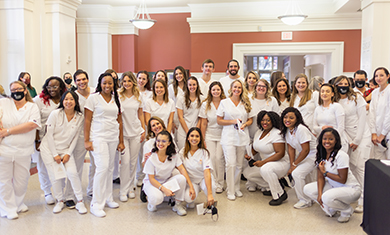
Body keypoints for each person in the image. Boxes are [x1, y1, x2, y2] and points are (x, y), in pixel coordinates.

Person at [84, 72, 124, 217]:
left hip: (112, 137)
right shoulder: (93, 98)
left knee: (110, 168)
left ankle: (108, 198)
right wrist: (87, 140)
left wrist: (121, 141)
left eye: (110, 83)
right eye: (104, 83)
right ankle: (96, 203)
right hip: (98, 136)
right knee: (102, 167)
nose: (107, 85)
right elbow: (87, 120)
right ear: (100, 84)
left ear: (114, 84)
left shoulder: (116, 99)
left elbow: (119, 121)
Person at [40, 91, 87, 214]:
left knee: (73, 173)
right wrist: (55, 154)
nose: (68, 102)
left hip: (65, 149)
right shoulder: (55, 114)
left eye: (71, 99)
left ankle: (80, 201)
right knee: (55, 176)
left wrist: (68, 154)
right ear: (62, 101)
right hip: (49, 149)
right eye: (66, 99)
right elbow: (49, 135)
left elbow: (76, 138)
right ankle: (60, 201)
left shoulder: (80, 116)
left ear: (76, 101)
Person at [0, 81, 40, 220]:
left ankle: (18, 203)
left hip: (24, 150)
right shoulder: (4, 103)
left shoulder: (32, 107)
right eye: (13, 89)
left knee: (21, 180)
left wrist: (8, 131)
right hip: (4, 150)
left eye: (18, 89)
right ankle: (8, 207)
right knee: (4, 180)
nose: (16, 91)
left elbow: (31, 125)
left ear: (25, 90)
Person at [304, 128, 361, 223]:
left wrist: (325, 172)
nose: (327, 141)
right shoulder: (322, 155)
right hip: (334, 186)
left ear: (336, 141)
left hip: (351, 189)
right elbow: (320, 177)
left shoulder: (341, 155)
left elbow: (342, 179)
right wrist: (320, 194)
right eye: (324, 138)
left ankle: (346, 210)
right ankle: (333, 207)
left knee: (326, 197)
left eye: (331, 139)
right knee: (307, 189)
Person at [334, 75, 372, 213]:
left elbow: (362, 119)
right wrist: (349, 140)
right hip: (346, 138)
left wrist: (357, 140)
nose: (343, 86)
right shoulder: (335, 100)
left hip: (362, 136)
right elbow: (340, 124)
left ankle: (364, 199)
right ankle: (355, 194)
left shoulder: (356, 97)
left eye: (346, 83)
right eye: (340, 83)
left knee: (360, 168)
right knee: (350, 167)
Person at [217, 80, 254, 201]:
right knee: (230, 164)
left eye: (239, 87)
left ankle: (237, 187)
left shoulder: (246, 102)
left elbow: (250, 120)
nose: (237, 89)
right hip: (228, 137)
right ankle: (230, 190)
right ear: (231, 88)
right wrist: (233, 122)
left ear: (242, 89)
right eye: (235, 87)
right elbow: (219, 120)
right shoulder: (224, 102)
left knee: (239, 164)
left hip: (241, 136)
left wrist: (244, 124)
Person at [142, 131, 195, 216]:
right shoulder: (151, 157)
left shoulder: (173, 155)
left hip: (165, 181)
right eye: (158, 141)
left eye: (163, 141)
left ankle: (177, 205)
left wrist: (191, 186)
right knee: (156, 199)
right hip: (152, 184)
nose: (160, 143)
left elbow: (182, 169)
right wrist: (164, 189)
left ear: (169, 143)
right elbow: (151, 179)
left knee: (181, 178)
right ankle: (151, 202)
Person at [243, 111, 289, 205]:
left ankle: (280, 194)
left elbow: (280, 153)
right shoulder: (259, 132)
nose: (265, 122)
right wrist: (249, 155)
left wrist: (263, 162)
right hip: (266, 163)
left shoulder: (277, 133)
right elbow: (257, 147)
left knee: (266, 169)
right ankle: (274, 186)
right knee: (247, 173)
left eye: (268, 120)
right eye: (263, 120)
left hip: (281, 163)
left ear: (273, 121)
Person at [34, 76, 66, 205]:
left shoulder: (65, 98)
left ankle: (61, 191)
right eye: (49, 87)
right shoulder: (39, 100)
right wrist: (37, 141)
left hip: (60, 139)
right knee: (43, 167)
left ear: (61, 87)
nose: (51, 89)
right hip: (42, 139)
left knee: (60, 165)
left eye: (55, 86)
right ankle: (47, 191)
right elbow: (35, 120)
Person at [66, 69, 95, 206]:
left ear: (88, 79)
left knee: (96, 165)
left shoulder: (95, 92)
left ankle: (92, 190)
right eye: (78, 80)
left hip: (95, 132)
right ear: (75, 82)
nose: (81, 82)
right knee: (76, 166)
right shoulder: (73, 95)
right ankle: (71, 195)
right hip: (79, 134)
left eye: (83, 79)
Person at [117, 71, 145, 202]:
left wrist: (143, 130)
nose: (126, 83)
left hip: (135, 132)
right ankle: (123, 190)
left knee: (133, 163)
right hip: (123, 134)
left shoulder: (138, 95)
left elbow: (140, 114)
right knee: (125, 162)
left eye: (129, 81)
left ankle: (131, 187)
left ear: (133, 82)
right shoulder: (118, 95)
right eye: (124, 81)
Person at [281, 107, 317, 209]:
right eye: (285, 117)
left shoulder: (301, 129)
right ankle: (309, 198)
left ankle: (304, 200)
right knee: (296, 172)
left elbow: (306, 150)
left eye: (291, 118)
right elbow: (291, 149)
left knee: (297, 173)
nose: (287, 120)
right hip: (304, 155)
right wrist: (292, 164)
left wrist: (294, 165)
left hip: (313, 155)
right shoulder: (288, 130)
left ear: (297, 119)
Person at [199, 81, 226, 193]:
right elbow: (203, 123)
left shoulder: (225, 103)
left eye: (218, 90)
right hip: (209, 135)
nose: (216, 92)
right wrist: (202, 138)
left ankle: (220, 183)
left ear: (221, 91)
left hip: (222, 135)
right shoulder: (205, 104)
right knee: (211, 158)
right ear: (210, 91)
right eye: (213, 90)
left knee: (219, 158)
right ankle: (213, 182)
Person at [180, 127, 215, 208]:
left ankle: (210, 202)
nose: (194, 138)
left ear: (200, 139)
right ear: (188, 138)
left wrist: (209, 194)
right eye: (192, 136)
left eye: (197, 136)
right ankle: (192, 200)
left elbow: (206, 172)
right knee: (188, 198)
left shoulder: (204, 152)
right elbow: (180, 168)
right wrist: (191, 187)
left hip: (203, 178)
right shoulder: (182, 152)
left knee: (211, 187)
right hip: (191, 180)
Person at [312, 84, 346, 151]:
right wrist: (321, 128)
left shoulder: (337, 107)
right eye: (322, 91)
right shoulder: (317, 109)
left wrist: (333, 140)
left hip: (337, 141)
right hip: (324, 142)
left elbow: (341, 127)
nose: (324, 93)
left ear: (332, 94)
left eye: (327, 91)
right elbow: (314, 127)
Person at [369, 67, 390, 160]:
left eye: (382, 75)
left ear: (388, 76)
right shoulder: (374, 92)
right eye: (376, 76)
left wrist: (383, 133)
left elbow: (388, 114)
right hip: (376, 135)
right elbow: (372, 113)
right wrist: (373, 132)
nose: (379, 78)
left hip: (387, 132)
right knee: (379, 163)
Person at [135, 70, 152, 187]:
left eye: (144, 79)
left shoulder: (150, 93)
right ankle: (138, 175)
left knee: (146, 151)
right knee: (137, 153)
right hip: (134, 125)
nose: (141, 81)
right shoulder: (133, 92)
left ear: (147, 81)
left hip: (147, 125)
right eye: (139, 78)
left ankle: (146, 175)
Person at [176, 76, 202, 150]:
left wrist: (195, 131)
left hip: (196, 130)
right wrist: (188, 132)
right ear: (187, 86)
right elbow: (180, 117)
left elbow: (201, 117)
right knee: (183, 153)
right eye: (190, 85)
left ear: (197, 85)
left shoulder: (202, 99)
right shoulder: (181, 99)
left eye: (194, 85)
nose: (192, 87)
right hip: (183, 131)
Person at [168, 66, 188, 138]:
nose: (178, 76)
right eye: (176, 74)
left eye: (180, 73)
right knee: (177, 139)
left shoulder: (188, 86)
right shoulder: (171, 87)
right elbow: (169, 104)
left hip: (187, 116)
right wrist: (172, 121)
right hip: (176, 117)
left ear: (184, 74)